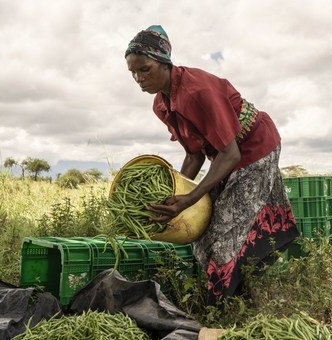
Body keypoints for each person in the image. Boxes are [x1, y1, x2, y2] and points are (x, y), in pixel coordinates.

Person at [125, 25, 300, 306]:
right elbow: (194, 155)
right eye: (133, 72)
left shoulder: (197, 91)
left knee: (224, 233)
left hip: (253, 146)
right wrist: (175, 195)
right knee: (202, 236)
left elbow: (230, 153)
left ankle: (222, 307)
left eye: (145, 69)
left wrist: (191, 198)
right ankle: (236, 291)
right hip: (223, 154)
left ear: (164, 62)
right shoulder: (161, 104)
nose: (138, 78)